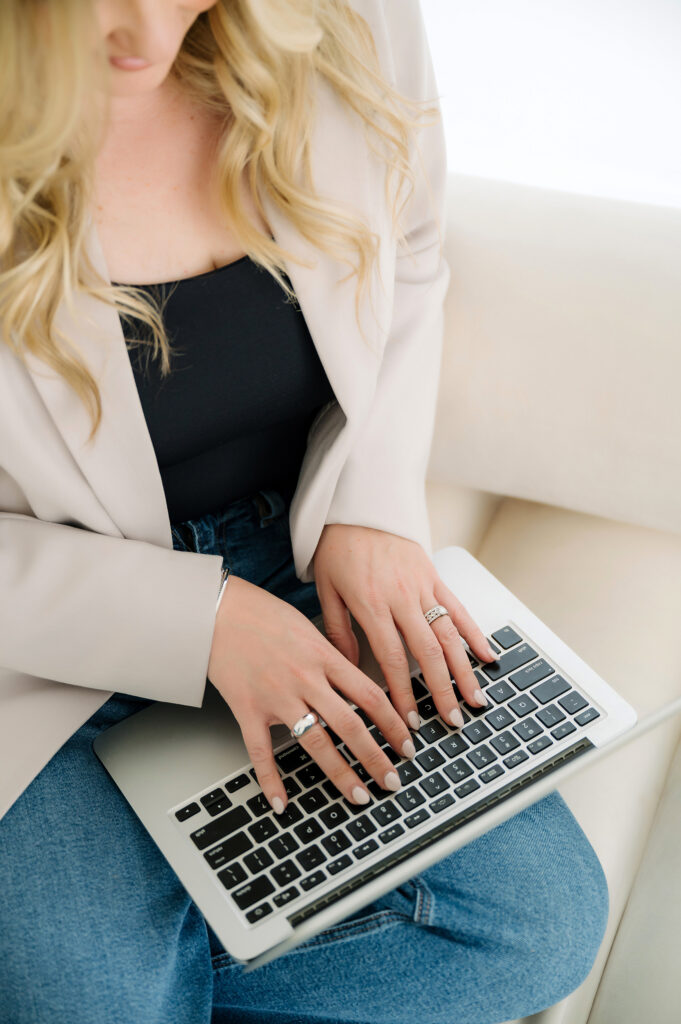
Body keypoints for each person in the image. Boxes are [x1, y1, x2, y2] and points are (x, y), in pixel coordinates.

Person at [0, 1, 609, 1021]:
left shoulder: (347, 15)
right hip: (39, 637)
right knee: (90, 995)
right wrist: (195, 624)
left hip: (294, 549)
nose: (146, 36)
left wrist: (370, 501)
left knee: (534, 925)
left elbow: (411, 248)